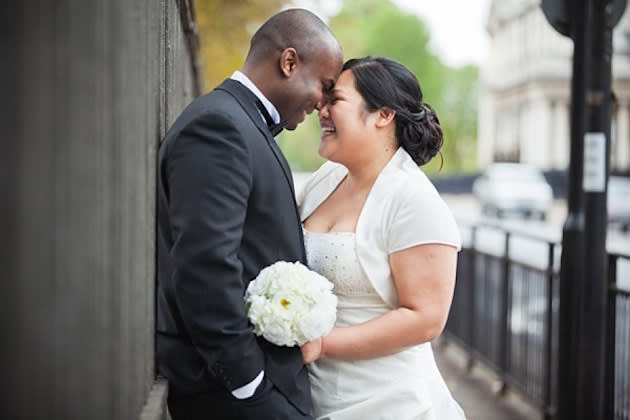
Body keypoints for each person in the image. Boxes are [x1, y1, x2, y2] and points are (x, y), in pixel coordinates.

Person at [156, 9, 343, 420]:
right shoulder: (219, 126)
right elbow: (205, 263)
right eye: (325, 86)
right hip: (230, 391)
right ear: (289, 62)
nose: (323, 103)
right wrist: (248, 382)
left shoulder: (237, 122)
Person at [298, 56, 466, 419]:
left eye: (336, 100)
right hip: (314, 395)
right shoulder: (324, 180)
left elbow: (426, 318)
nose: (321, 110)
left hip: (390, 403)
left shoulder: (414, 201)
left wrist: (324, 344)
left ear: (383, 115)